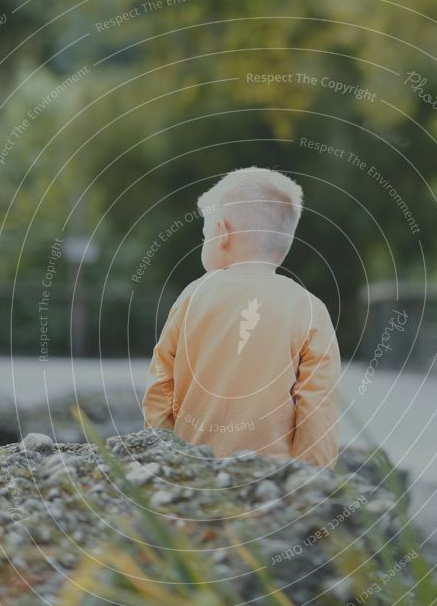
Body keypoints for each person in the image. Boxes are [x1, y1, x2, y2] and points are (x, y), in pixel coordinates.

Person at [142, 167, 341, 467]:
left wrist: (165, 458)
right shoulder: (310, 309)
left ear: (222, 233)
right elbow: (318, 406)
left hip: (193, 468)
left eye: (204, 233)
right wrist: (310, 479)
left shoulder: (193, 296)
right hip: (269, 479)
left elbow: (160, 384)